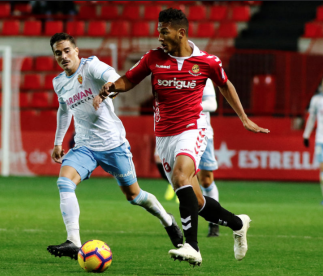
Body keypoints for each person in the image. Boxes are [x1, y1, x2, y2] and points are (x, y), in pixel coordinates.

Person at [93, 8, 270, 266]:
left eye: (164, 32)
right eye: (158, 31)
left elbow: (225, 85)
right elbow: (129, 80)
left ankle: (192, 247)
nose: (159, 37)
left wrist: (244, 118)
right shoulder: (153, 58)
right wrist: (113, 87)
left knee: (180, 176)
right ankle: (238, 223)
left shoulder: (207, 62)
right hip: (164, 136)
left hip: (193, 128)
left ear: (181, 32)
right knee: (196, 201)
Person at [46, 33, 183, 260]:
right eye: (58, 53)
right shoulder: (58, 82)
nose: (63, 56)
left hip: (113, 145)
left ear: (77, 51)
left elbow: (112, 76)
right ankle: (73, 241)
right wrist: (58, 141)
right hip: (84, 147)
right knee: (64, 182)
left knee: (135, 196)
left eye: (67, 50)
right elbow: (64, 110)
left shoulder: (91, 67)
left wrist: (108, 87)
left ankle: (167, 220)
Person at [159, 78, 221, 237]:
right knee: (183, 177)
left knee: (206, 180)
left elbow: (212, 104)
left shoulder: (201, 74)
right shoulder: (169, 77)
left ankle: (214, 223)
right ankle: (190, 233)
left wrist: (187, 106)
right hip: (177, 133)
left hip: (202, 132)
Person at [303, 78, 323, 205]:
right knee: (322, 170)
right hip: (321, 139)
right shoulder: (316, 100)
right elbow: (311, 118)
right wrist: (306, 134)